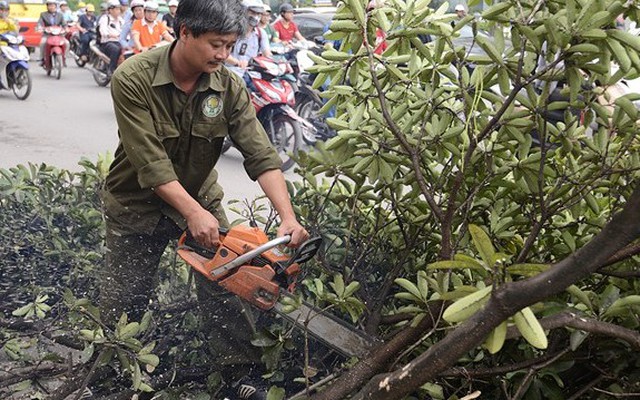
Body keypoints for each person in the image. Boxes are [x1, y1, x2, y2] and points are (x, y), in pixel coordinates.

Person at [101, 0, 309, 396]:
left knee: (229, 281)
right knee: (125, 298)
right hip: (135, 206)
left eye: (230, 46)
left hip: (200, 199)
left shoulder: (227, 86)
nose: (223, 55)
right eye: (216, 44)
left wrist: (288, 216)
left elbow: (260, 152)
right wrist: (192, 212)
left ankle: (237, 377)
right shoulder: (133, 79)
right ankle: (108, 377)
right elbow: (152, 164)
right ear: (185, 32)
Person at [225, 0, 271, 87]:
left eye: (259, 14)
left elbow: (267, 54)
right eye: (253, 12)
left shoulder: (261, 33)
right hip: (232, 73)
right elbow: (222, 53)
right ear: (243, 12)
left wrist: (278, 63)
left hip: (254, 75)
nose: (256, 17)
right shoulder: (232, 31)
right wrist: (238, 62)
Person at [98, 0, 123, 76]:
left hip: (119, 42)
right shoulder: (105, 19)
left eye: (119, 9)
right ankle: (111, 69)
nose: (118, 11)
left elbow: (125, 30)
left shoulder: (121, 20)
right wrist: (111, 35)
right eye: (116, 9)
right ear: (110, 10)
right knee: (115, 49)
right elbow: (103, 31)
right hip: (107, 42)